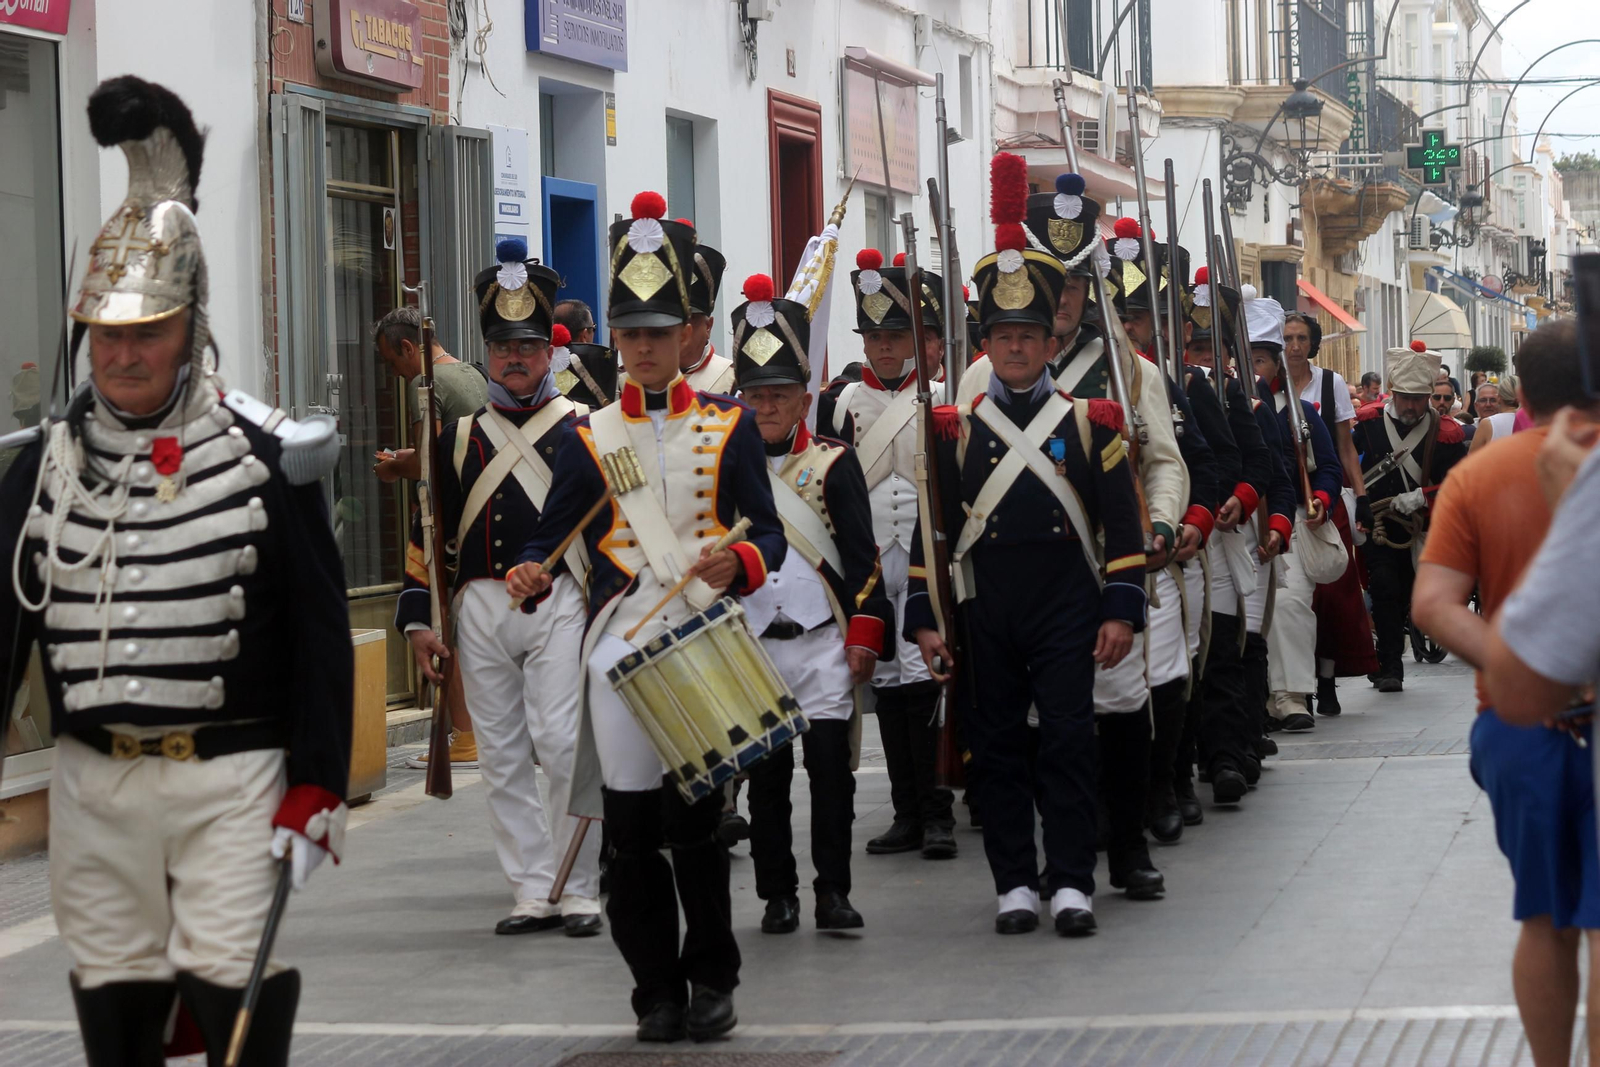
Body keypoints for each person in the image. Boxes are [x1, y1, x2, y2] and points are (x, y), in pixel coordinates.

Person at [0, 76, 350, 1067]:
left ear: (191, 325)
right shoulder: (45, 461)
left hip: (231, 777)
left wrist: (316, 782)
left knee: (232, 988)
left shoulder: (266, 455)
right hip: (86, 780)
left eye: (145, 329)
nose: (122, 353)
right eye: (107, 331)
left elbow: (322, 627)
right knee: (114, 1004)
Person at [506, 192, 785, 1043]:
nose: (645, 347)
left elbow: (765, 529)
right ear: (617, 341)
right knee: (629, 834)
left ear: (688, 334)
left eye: (660, 333)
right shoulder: (588, 439)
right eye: (631, 334)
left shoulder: (730, 424)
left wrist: (735, 560)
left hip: (700, 634)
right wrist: (529, 571)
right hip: (622, 641)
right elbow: (549, 539)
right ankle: (653, 990)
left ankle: (712, 978)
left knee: (697, 827)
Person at [905, 153, 1147, 937]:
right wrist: (927, 617)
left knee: (1071, 741)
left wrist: (1121, 609)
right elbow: (933, 530)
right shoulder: (955, 429)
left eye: (1028, 336)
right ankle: (1014, 880)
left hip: (1067, 602)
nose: (1014, 349)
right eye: (1002, 336)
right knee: (999, 746)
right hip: (989, 605)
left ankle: (1072, 877)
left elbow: (1121, 524)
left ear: (1050, 343)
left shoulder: (1090, 422)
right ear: (987, 343)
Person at [956, 174, 1189, 877]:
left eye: (1074, 287)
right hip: (1023, 579)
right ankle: (1050, 857)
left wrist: (1163, 526)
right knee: (1032, 726)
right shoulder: (977, 378)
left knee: (1120, 706)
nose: (1061, 303)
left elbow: (1166, 465)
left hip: (1107, 565)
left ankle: (1127, 847)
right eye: (1049, 285)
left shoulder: (1131, 370)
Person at [394, 239, 602, 939]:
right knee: (504, 754)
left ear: (550, 351)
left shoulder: (585, 429)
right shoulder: (455, 437)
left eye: (529, 344)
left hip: (560, 600)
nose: (515, 356)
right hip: (479, 604)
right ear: (487, 351)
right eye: (502, 344)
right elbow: (429, 531)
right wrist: (421, 619)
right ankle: (531, 888)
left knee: (562, 741)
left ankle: (578, 884)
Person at [1414, 320, 1599, 1067]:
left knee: (1543, 915)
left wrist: (1519, 668)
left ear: (1521, 391)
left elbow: (1432, 603)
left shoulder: (1478, 475)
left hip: (1519, 729)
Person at [726, 273, 893, 935]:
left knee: (832, 776)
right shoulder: (722, 466)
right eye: (756, 394)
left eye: (779, 394)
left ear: (803, 399)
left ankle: (833, 892)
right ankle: (778, 895)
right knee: (766, 781)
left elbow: (862, 555)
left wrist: (865, 631)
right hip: (754, 642)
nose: (766, 406)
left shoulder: (833, 462)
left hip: (823, 641)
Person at [816, 247, 958, 861]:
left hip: (928, 558)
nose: (883, 348)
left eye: (896, 335)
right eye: (874, 336)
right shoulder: (842, 404)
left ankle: (938, 810)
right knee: (891, 688)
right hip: (873, 561)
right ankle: (906, 810)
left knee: (928, 682)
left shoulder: (946, 398)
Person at [1109, 225, 1217, 884]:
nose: (1130, 326)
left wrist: (1189, 522)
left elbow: (1194, 461)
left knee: (1168, 675)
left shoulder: (1166, 384)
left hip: (1162, 552)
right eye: (1120, 314)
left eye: (1138, 314)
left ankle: (1166, 786)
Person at [1177, 268, 1281, 820]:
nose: (1197, 355)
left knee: (1222, 651)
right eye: (1190, 344)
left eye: (1205, 345)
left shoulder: (1228, 391)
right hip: (1165, 539)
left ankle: (1224, 759)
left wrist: (1240, 497)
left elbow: (1259, 460)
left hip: (1218, 537)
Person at [1352, 341, 1468, 692]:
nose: (1412, 405)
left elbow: (1459, 486)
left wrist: (1422, 496)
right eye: (1406, 397)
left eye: (1420, 398)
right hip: (1379, 523)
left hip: (1422, 527)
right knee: (1384, 586)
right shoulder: (1368, 425)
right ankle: (1389, 666)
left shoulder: (1447, 434)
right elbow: (1348, 464)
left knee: (1402, 591)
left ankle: (1389, 653)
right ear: (1393, 393)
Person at [1251, 303, 1343, 733]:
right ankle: (1257, 699)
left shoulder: (1300, 414)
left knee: (1289, 605)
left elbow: (1328, 466)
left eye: (1261, 358)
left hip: (1289, 522)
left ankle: (1290, 696)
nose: (1256, 366)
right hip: (1238, 524)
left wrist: (1322, 498)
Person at [1281, 312, 1376, 715]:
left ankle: (1327, 676)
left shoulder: (1330, 382)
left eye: (1302, 337)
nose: (1295, 346)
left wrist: (1362, 495)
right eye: (1287, 338)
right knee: (1294, 596)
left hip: (1326, 494)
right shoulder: (1263, 385)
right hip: (1287, 496)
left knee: (1334, 593)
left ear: (1313, 343)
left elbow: (1344, 446)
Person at [372, 305, 489, 484]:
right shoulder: (477, 372)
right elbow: (450, 449)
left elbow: (425, 466)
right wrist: (411, 455)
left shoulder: (425, 383)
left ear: (407, 348)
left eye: (392, 362)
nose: (395, 373)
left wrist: (392, 468)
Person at [677, 229, 735, 394]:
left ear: (708, 326)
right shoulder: (632, 379)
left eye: (689, 319)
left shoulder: (731, 379)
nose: (680, 329)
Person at [1469, 374, 1522, 454]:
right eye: (1483, 400)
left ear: (1499, 398)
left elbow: (1471, 460)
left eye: (1493, 400)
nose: (1488, 405)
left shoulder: (1488, 423)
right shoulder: (1533, 421)